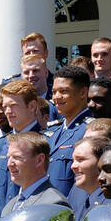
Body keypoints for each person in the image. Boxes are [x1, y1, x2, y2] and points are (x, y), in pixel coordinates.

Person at [0, 79, 45, 221]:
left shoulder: (47, 142)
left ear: (32, 106)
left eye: (13, 106)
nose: (7, 112)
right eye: (5, 107)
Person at [44, 65, 93, 195]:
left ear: (83, 93)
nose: (57, 97)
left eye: (64, 91)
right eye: (54, 92)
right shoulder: (54, 132)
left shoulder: (91, 131)